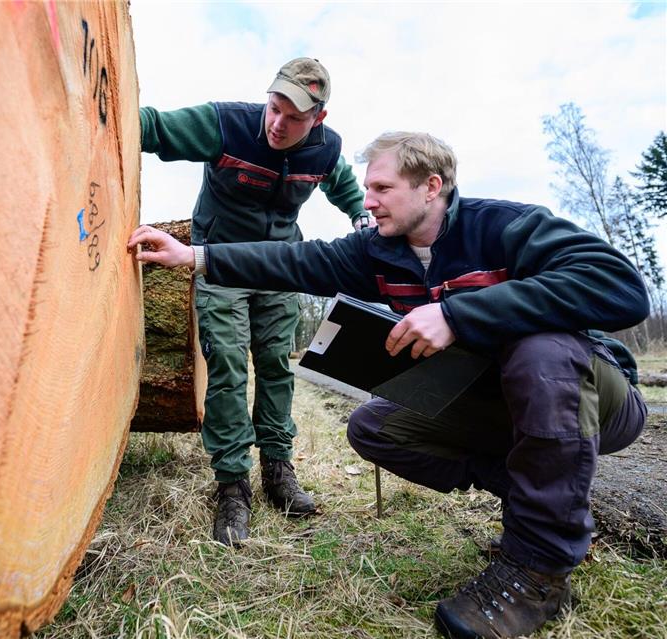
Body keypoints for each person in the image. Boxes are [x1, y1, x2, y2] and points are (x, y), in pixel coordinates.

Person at [127, 131, 649, 639]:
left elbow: (620, 287)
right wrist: (194, 257)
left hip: (594, 396)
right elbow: (295, 261)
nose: (368, 201)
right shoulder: (379, 251)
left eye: (382, 189)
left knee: (542, 349)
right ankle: (544, 501)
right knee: (376, 426)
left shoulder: (505, 226)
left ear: (430, 187)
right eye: (368, 189)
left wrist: (456, 315)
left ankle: (539, 571)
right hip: (501, 403)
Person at [139, 58, 368, 546]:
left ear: (317, 121)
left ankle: (278, 470)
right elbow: (153, 128)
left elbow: (343, 182)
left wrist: (360, 217)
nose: (277, 124)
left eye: (293, 117)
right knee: (225, 362)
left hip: (278, 266)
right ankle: (232, 486)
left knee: (275, 363)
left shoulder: (325, 149)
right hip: (216, 262)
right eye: (274, 107)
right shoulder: (226, 125)